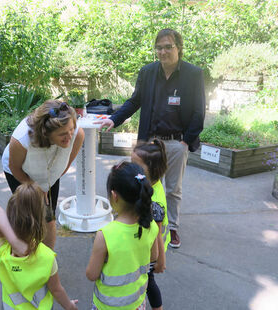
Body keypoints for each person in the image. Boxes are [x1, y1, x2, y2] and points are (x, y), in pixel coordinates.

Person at [96, 28, 206, 248]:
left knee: (173, 188)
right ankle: (144, 222)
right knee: (144, 184)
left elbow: (198, 111)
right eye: (159, 47)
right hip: (148, 142)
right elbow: (134, 100)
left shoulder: (193, 74)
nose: (163, 51)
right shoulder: (147, 72)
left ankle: (172, 227)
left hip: (176, 142)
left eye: (168, 47)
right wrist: (114, 119)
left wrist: (186, 141)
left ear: (179, 48)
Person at [2, 100, 85, 250]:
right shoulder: (21, 140)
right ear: (46, 133)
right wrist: (36, 188)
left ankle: (46, 259)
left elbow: (63, 166)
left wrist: (47, 185)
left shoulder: (77, 134)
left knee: (48, 217)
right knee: (29, 218)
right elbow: (14, 167)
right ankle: (23, 256)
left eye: (71, 129)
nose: (69, 136)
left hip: (49, 172)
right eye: (62, 134)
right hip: (21, 172)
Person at [0, 182, 78, 310]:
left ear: (9, 219)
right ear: (40, 222)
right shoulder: (47, 257)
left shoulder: (2, 252)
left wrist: (14, 241)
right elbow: (57, 290)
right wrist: (70, 306)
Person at [86, 162, 159, 310]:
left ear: (114, 195)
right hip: (136, 303)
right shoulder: (150, 226)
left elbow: (92, 274)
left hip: (106, 306)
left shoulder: (105, 235)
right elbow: (153, 257)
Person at [131, 138, 169, 310]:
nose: (132, 169)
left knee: (149, 281)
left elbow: (157, 233)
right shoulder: (149, 183)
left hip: (151, 249)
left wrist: (160, 260)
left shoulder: (154, 202)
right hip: (146, 244)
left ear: (151, 170)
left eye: (136, 166)